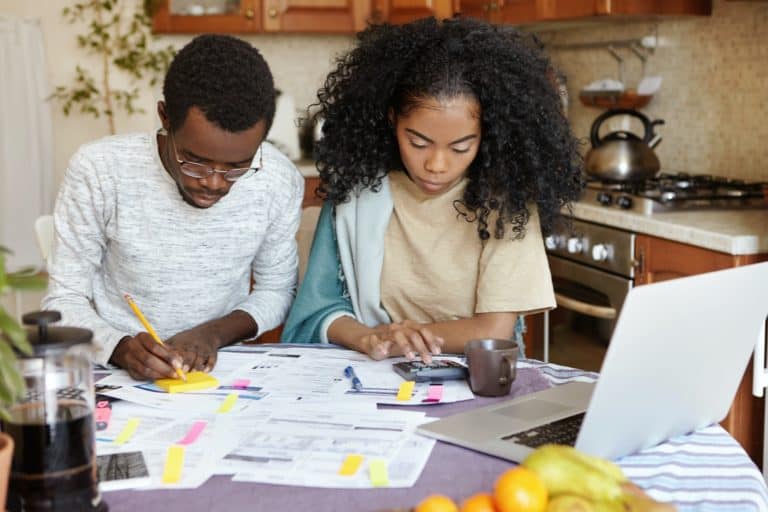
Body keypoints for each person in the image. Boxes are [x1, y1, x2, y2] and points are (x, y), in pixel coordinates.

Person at [281, 17, 582, 362]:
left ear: (488, 134)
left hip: (475, 378)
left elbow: (493, 331)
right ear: (392, 119)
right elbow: (318, 308)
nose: (437, 165)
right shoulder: (358, 192)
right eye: (418, 142)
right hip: (371, 373)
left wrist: (401, 340)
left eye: (460, 147)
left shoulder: (506, 204)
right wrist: (369, 338)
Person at [43, 34, 303, 380]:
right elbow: (63, 300)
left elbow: (277, 291)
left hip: (218, 373)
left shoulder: (278, 179)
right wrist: (119, 347)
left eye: (238, 166)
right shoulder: (100, 170)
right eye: (194, 162)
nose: (214, 182)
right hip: (114, 374)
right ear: (165, 117)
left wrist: (213, 334)